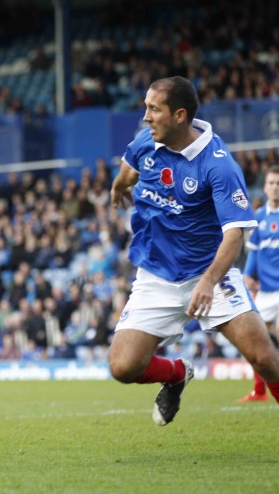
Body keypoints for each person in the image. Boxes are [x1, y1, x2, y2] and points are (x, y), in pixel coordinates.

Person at [109, 76, 279, 426]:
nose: (146, 116)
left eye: (154, 109)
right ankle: (175, 374)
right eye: (146, 107)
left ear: (180, 115)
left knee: (263, 358)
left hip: (209, 274)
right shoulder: (148, 141)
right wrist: (118, 186)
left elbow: (235, 235)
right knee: (123, 367)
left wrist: (207, 281)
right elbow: (129, 167)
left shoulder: (218, 165)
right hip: (156, 274)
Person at [239, 165, 279, 402]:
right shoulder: (258, 218)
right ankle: (259, 391)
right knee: (255, 341)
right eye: (272, 183)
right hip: (265, 291)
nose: (275, 188)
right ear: (265, 187)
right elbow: (253, 253)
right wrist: (246, 275)